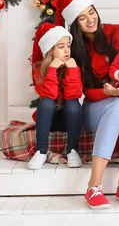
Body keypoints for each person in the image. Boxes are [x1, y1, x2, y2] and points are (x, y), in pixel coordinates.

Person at [55, 0, 119, 210]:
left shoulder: (118, 33)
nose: (90, 19)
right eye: (82, 17)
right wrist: (107, 93)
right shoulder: (74, 50)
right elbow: (85, 92)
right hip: (96, 106)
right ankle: (93, 186)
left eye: (92, 12)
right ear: (75, 24)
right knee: (116, 105)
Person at [28, 23, 83, 170]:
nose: (66, 50)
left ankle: (72, 150)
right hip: (49, 119)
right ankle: (41, 151)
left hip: (68, 120)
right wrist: (52, 69)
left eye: (68, 46)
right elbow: (49, 95)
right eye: (60, 47)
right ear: (50, 50)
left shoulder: (73, 66)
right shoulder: (40, 69)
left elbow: (74, 94)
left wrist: (72, 70)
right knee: (46, 103)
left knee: (73, 103)